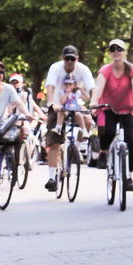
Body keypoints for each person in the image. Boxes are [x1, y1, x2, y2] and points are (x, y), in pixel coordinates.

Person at [90, 39, 133, 192]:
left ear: (124, 52)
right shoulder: (105, 70)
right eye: (112, 49)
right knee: (108, 132)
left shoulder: (132, 70)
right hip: (109, 108)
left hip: (128, 108)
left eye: (119, 49)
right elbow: (99, 88)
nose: (116, 51)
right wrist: (94, 101)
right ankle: (103, 152)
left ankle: (129, 177)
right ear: (109, 53)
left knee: (129, 140)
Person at [44, 45, 95, 192]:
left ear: (77, 59)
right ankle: (52, 177)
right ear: (63, 58)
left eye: (72, 59)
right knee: (54, 140)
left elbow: (92, 89)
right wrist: (52, 102)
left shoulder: (83, 70)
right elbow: (50, 87)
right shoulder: (55, 68)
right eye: (67, 59)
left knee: (88, 121)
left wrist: (94, 102)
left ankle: (76, 147)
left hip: (76, 106)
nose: (70, 62)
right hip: (58, 106)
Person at [0, 61, 34, 170]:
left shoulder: (8, 89)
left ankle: (15, 165)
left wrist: (27, 114)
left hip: (2, 127)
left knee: (17, 140)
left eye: (1, 72)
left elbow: (19, 103)